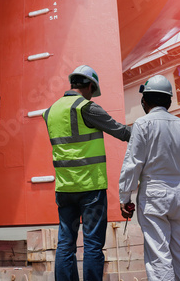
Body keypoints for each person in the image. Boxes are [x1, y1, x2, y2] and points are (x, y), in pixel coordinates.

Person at [43, 65, 132, 281]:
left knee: (66, 243)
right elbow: (122, 132)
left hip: (65, 188)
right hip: (91, 188)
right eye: (93, 90)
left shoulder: (50, 112)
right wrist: (148, 128)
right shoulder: (87, 108)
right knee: (92, 244)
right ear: (90, 85)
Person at [119, 75, 180, 281]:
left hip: (154, 194)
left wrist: (125, 198)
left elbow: (133, 164)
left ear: (144, 101)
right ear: (169, 101)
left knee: (158, 255)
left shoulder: (143, 124)